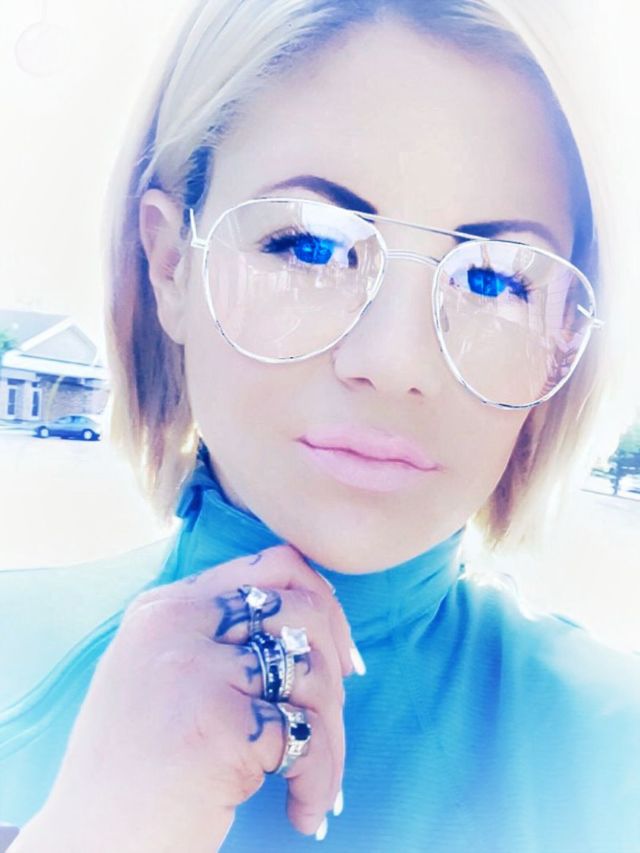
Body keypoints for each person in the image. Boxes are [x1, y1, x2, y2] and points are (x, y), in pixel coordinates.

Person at [2, 0, 639, 850]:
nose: (397, 362)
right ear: (169, 262)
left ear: (564, 333)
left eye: (495, 280)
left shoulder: (616, 758)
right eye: (308, 244)